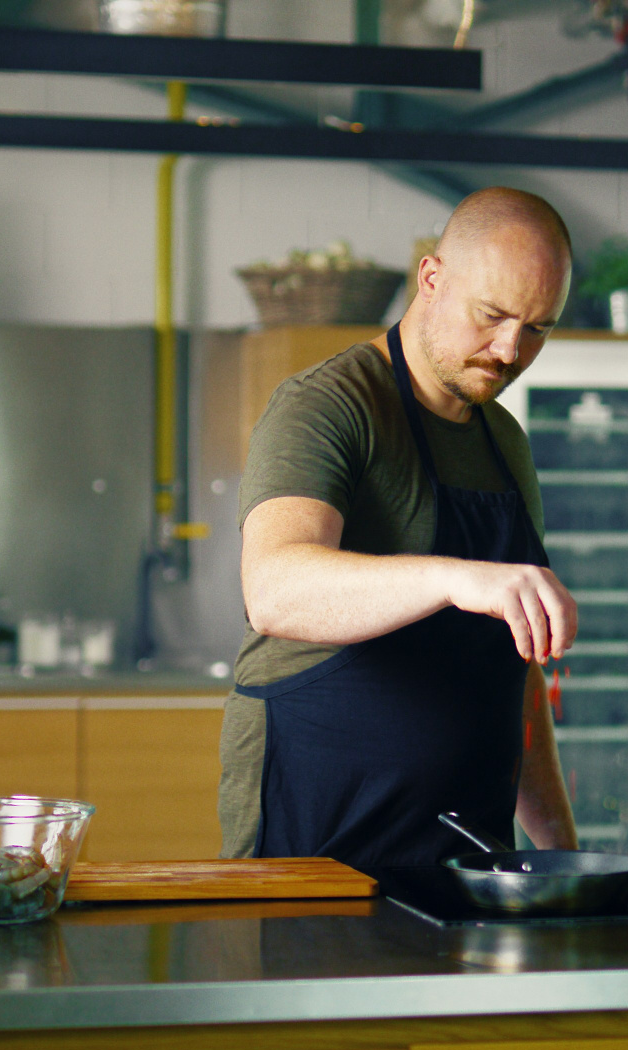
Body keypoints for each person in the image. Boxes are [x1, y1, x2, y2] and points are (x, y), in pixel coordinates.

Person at [219, 187, 580, 868]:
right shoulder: (328, 405)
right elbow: (273, 589)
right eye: (493, 315)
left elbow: (519, 676)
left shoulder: (505, 441)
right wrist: (457, 579)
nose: (510, 349)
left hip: (471, 860)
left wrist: (561, 854)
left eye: (538, 328)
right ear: (431, 279)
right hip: (319, 848)